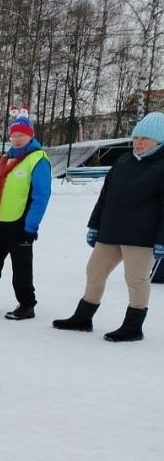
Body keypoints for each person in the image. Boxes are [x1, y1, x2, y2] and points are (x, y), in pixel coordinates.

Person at [53, 111, 164, 342]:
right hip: (110, 232)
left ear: (159, 141)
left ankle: (133, 327)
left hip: (141, 237)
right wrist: (94, 226)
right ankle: (83, 318)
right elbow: (104, 197)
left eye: (145, 138)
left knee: (136, 280)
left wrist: (161, 241)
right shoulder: (124, 161)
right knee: (94, 271)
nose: (138, 143)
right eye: (136, 137)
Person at [0, 108, 52, 320]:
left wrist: (31, 226)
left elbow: (41, 196)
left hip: (21, 224)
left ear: (30, 135)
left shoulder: (38, 159)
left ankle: (26, 305)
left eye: (21, 135)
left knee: (21, 268)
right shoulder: (4, 160)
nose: (17, 139)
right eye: (14, 135)